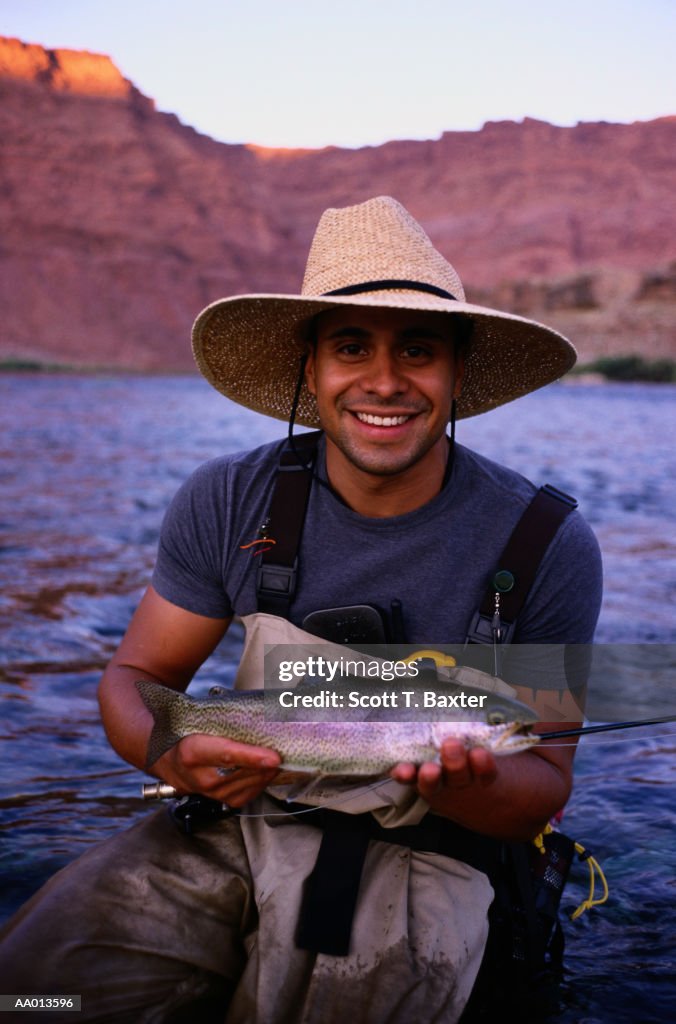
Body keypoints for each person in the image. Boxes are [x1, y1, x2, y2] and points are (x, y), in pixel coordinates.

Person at [0, 196, 602, 1023]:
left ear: (458, 372)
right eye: (351, 346)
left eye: (418, 350)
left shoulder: (545, 540)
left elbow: (542, 782)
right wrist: (165, 749)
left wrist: (465, 783)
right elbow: (139, 677)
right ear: (309, 368)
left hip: (429, 859)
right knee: (37, 994)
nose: (384, 381)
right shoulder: (228, 497)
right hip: (232, 825)